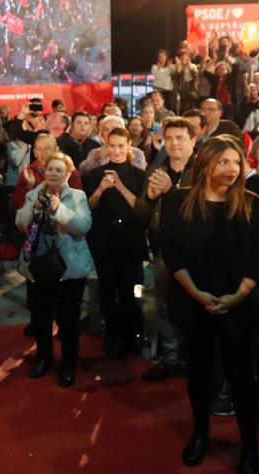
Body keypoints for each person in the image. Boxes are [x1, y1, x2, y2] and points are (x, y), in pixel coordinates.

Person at [158, 136, 259, 473]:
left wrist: (238, 295)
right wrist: (196, 293)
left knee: (241, 377)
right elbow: (171, 253)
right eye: (223, 162)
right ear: (204, 165)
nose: (232, 169)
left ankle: (250, 447)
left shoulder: (252, 204)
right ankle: (201, 434)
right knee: (200, 373)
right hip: (195, 302)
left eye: (236, 162)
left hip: (240, 303)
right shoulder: (177, 202)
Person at [15, 153, 94, 388]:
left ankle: (69, 365)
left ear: (68, 174)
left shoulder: (77, 196)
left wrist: (59, 209)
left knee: (69, 321)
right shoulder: (33, 194)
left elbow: (83, 226)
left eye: (60, 170)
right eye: (50, 169)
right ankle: (43, 359)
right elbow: (20, 223)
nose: (54, 174)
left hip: (69, 268)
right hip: (39, 266)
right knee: (41, 317)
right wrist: (35, 210)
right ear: (44, 172)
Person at [134, 116, 197, 382]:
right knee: (164, 306)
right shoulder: (156, 169)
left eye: (180, 138)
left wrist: (171, 192)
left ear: (193, 140)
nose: (174, 143)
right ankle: (170, 359)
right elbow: (139, 212)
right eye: (169, 138)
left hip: (195, 253)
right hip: (162, 250)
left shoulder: (202, 171)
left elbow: (200, 214)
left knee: (194, 308)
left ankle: (194, 360)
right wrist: (149, 196)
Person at [82, 126, 148, 358]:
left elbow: (142, 211)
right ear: (106, 147)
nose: (118, 150)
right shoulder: (94, 174)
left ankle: (132, 333)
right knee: (107, 289)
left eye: (122, 146)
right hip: (104, 240)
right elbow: (89, 207)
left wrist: (119, 186)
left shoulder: (140, 175)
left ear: (129, 146)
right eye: (113, 146)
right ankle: (112, 334)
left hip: (130, 240)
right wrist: (101, 189)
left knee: (130, 289)